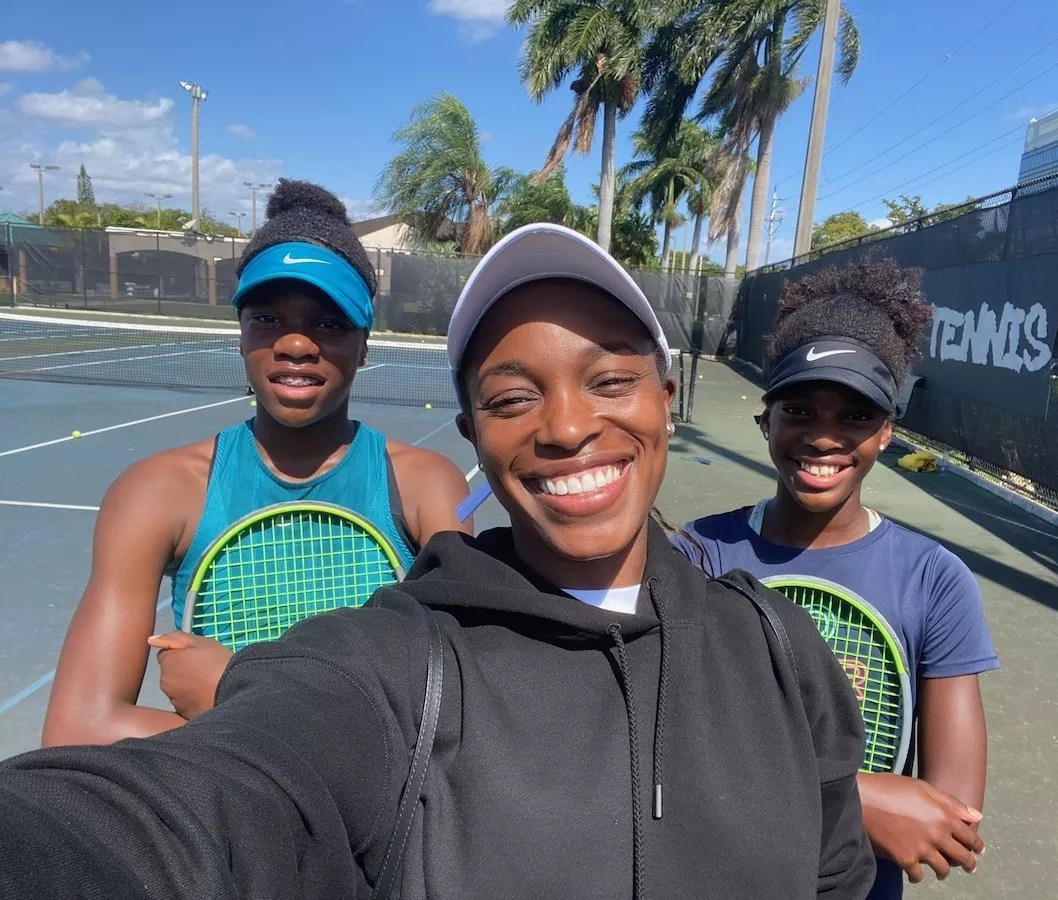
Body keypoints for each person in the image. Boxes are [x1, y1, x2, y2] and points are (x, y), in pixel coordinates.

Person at [0, 223, 876, 899]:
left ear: (665, 398)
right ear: (474, 434)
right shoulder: (395, 667)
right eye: (512, 397)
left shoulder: (782, 650)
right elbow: (174, 813)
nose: (568, 426)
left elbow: (834, 876)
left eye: (609, 380)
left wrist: (227, 678)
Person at [41, 179, 470, 746]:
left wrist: (237, 693)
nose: (295, 344)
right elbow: (78, 728)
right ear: (240, 335)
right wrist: (320, 730)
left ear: (364, 345)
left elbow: (456, 714)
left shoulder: (426, 487)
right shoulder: (155, 491)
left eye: (329, 322)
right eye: (267, 318)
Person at [673, 257, 1000, 899]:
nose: (824, 438)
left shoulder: (936, 581)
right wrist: (857, 798)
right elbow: (664, 755)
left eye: (855, 416)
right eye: (799, 409)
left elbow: (951, 821)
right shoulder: (696, 553)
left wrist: (764, 788)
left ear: (887, 431)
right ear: (766, 419)